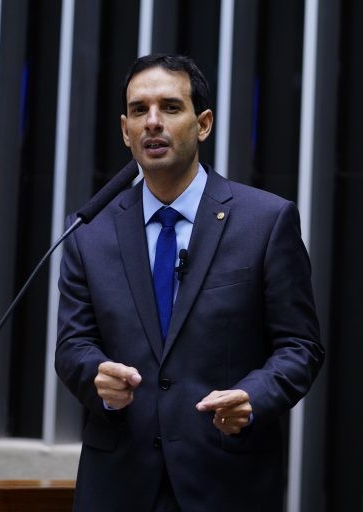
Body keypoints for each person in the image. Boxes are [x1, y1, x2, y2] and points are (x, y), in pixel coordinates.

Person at [55, 53, 324, 512]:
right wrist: (96, 375)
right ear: (125, 130)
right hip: (118, 484)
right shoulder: (89, 233)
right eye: (139, 110)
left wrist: (253, 396)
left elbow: (300, 346)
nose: (152, 122)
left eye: (170, 107)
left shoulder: (265, 221)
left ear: (203, 124)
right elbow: (73, 344)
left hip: (226, 479)